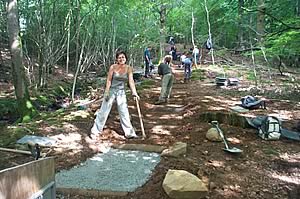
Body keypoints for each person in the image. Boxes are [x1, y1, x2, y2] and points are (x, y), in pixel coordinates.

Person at [90, 51, 140, 139]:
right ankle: (95, 131)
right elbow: (109, 80)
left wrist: (134, 92)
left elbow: (131, 81)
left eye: (123, 57)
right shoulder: (113, 67)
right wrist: (106, 92)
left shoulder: (129, 68)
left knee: (124, 112)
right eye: (119, 57)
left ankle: (129, 133)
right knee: (104, 111)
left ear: (126, 58)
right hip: (111, 90)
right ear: (117, 59)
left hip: (121, 92)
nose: (121, 59)